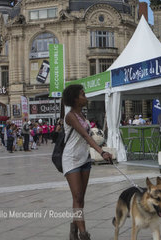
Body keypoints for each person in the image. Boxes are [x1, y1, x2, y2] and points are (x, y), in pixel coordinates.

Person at [61, 84, 112, 240]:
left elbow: (89, 136)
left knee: (81, 198)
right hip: (71, 159)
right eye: (83, 94)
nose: (86, 97)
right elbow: (85, 135)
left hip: (84, 159)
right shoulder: (70, 116)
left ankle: (73, 230)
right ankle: (84, 234)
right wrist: (101, 151)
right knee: (77, 196)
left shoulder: (83, 115)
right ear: (75, 99)